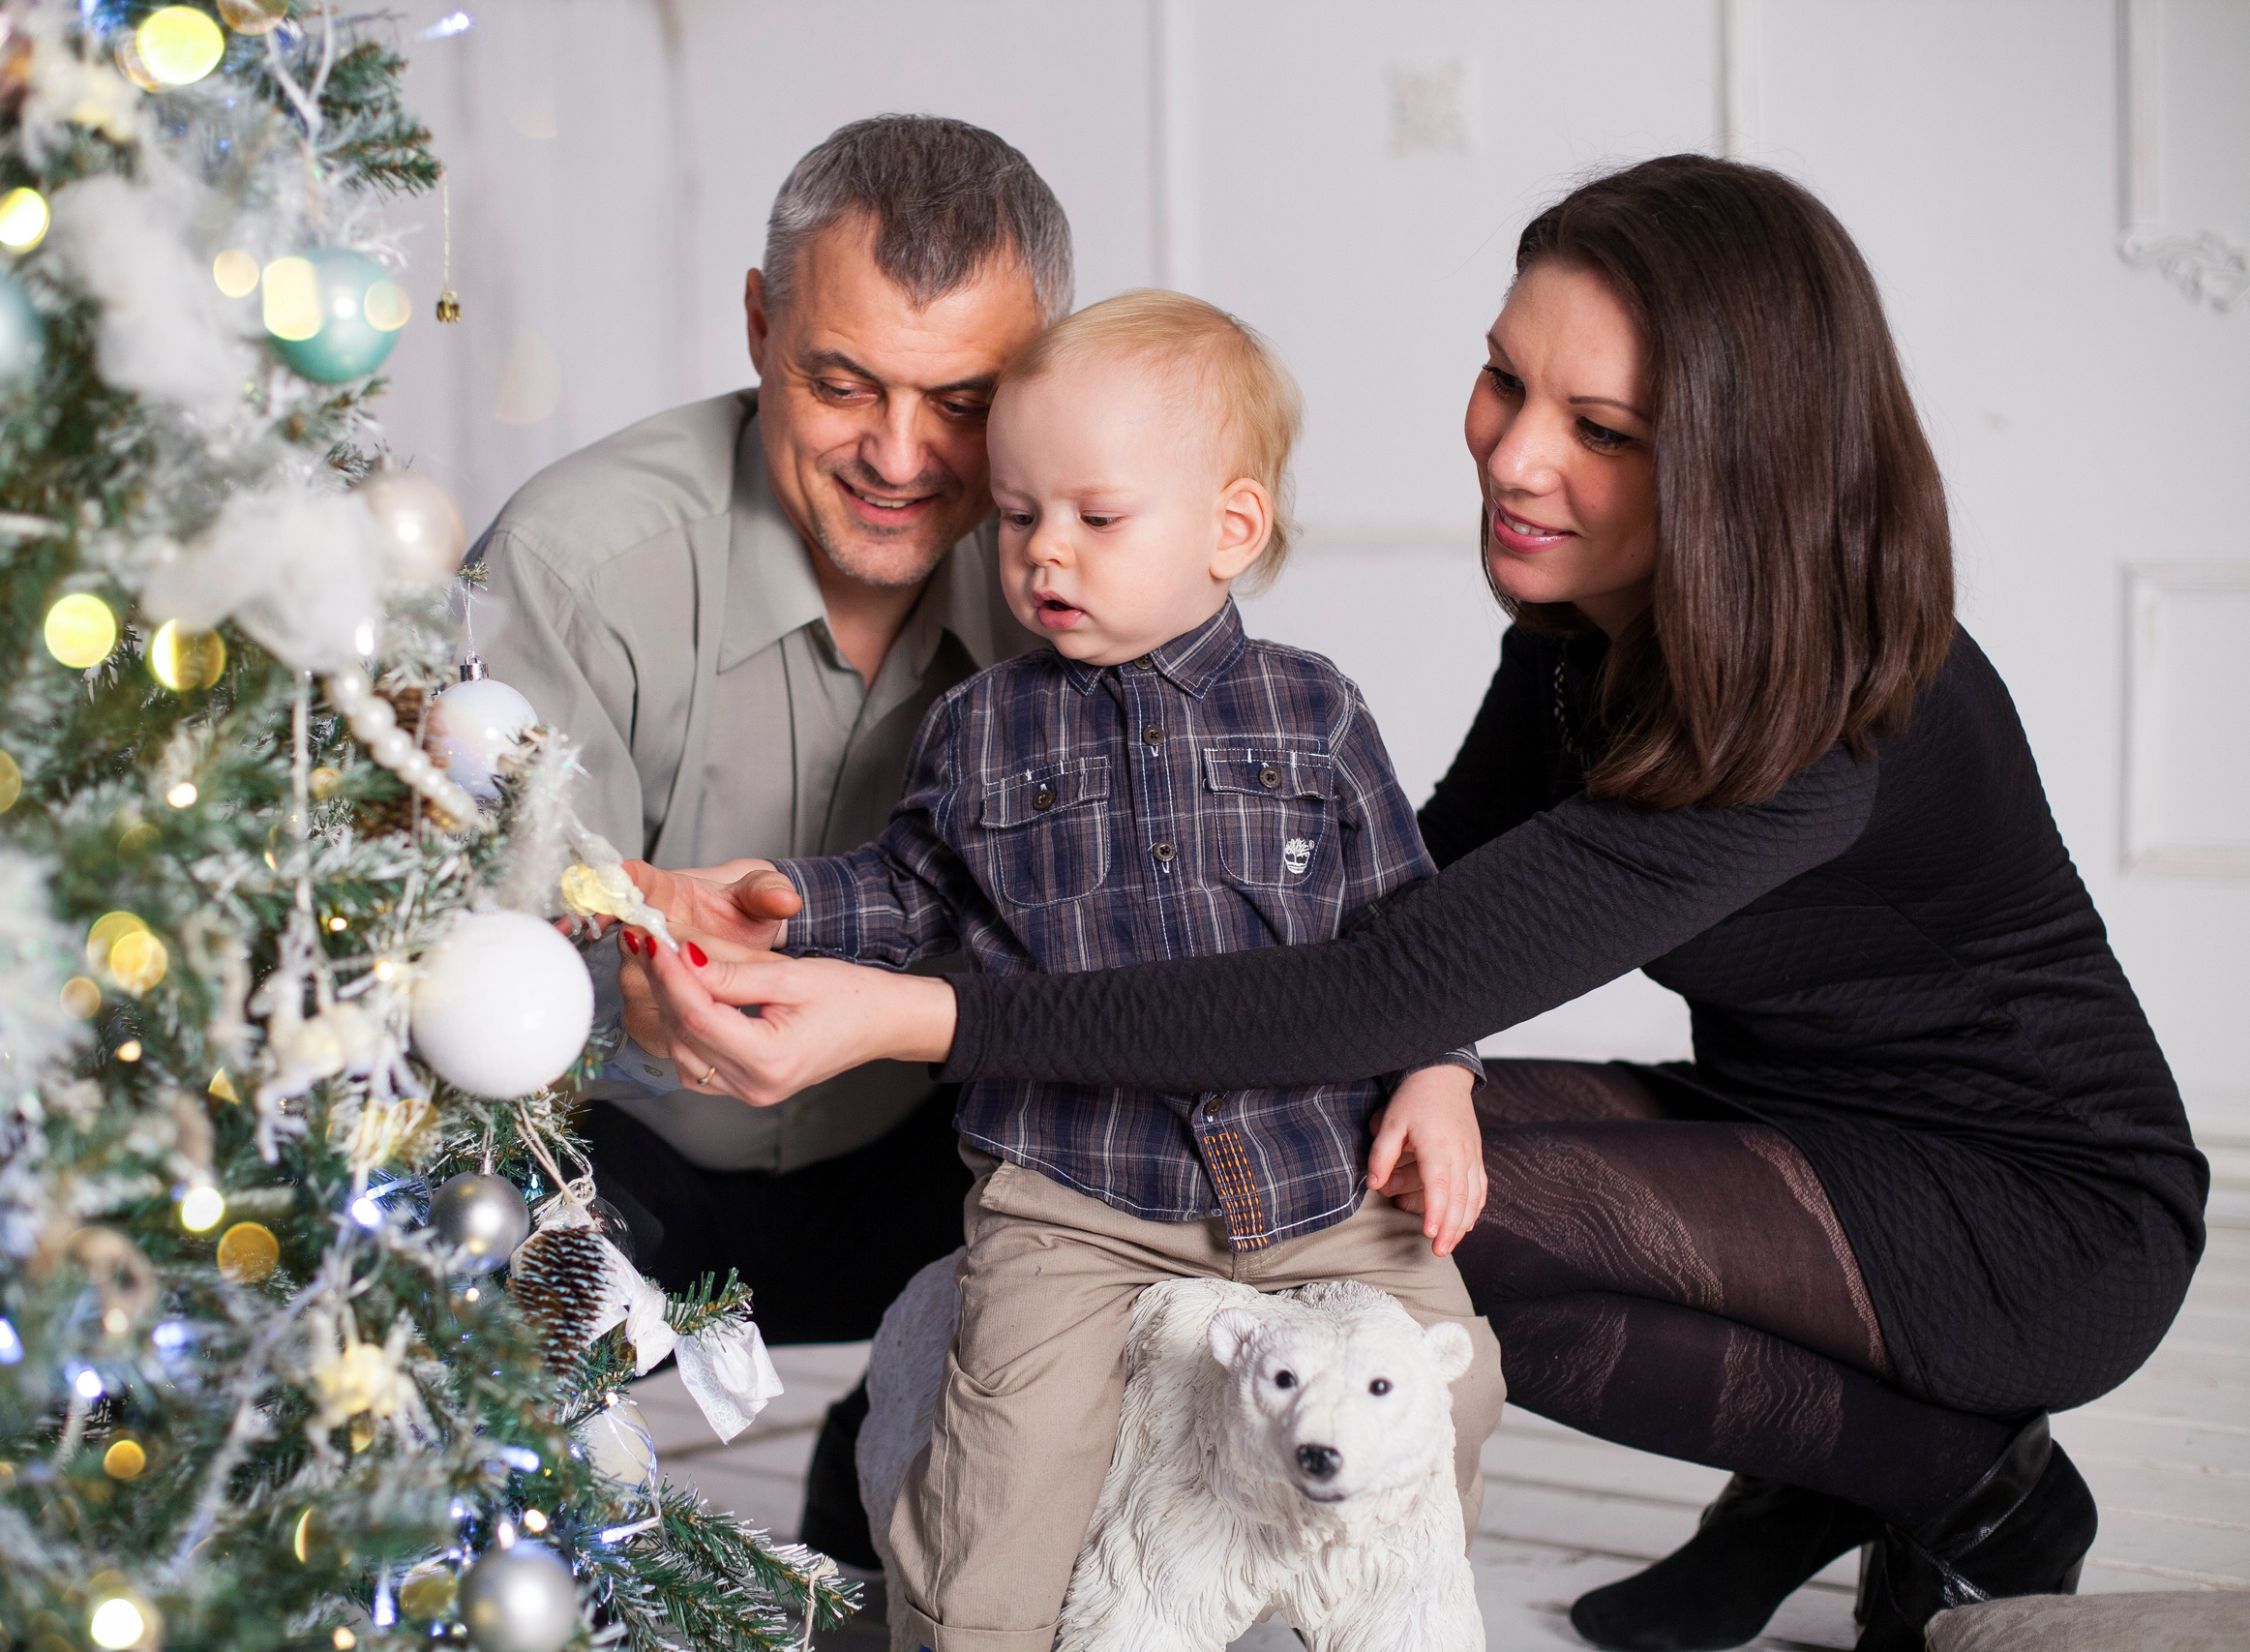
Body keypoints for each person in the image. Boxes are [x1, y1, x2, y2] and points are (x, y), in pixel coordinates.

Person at [624, 156, 2209, 1652]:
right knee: (1367, 1147)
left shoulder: (1824, 721)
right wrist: (842, 917)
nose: (1518, 455)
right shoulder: (1593, 626)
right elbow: (1400, 901)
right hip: (1793, 1122)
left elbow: (1371, 988)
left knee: (1390, 1216)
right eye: (1507, 378)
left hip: (2034, 1212)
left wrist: (926, 1015)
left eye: (1605, 427)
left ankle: (1963, 1483)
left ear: (1742, 461)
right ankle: (1845, 1456)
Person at [625, 289, 1502, 1652]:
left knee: (1463, 1378)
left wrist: (1441, 1079)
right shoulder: (981, 727)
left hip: (1318, 1175)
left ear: (1232, 527)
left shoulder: (1315, 709)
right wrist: (790, 899)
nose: (1046, 554)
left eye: (1096, 519)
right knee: (1001, 1460)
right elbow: (909, 889)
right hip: (1080, 1195)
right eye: (1021, 516)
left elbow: (1410, 925)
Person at [464, 114, 1056, 1564]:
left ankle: (885, 1487)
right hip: (612, 1160)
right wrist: (612, 975)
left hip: (935, 1165)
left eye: (965, 403)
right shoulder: (575, 561)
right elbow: (440, 940)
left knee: (1129, 1221)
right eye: (841, 382)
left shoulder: (1082, 575)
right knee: (458, 1352)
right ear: (756, 323)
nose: (902, 458)